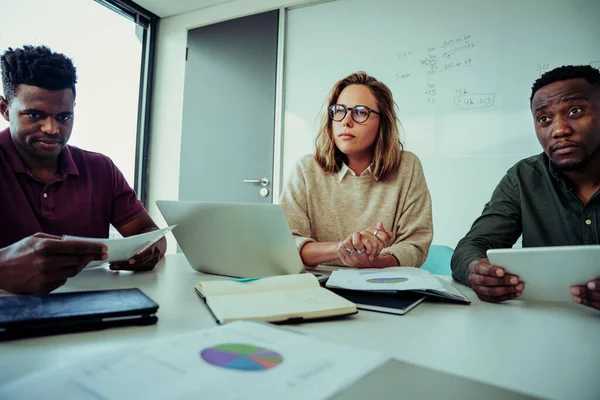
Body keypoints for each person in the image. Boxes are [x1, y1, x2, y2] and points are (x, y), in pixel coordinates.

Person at [0, 45, 166, 294]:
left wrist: (148, 251)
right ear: (5, 109)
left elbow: (149, 233)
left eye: (64, 117)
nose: (52, 129)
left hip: (90, 305)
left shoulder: (100, 168)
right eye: (35, 115)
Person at [451, 65, 600, 311]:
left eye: (575, 111)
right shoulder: (523, 178)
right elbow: (471, 247)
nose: (559, 130)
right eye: (544, 119)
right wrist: (477, 271)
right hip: (547, 323)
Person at [280, 71, 433, 269]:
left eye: (360, 112)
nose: (346, 121)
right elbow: (286, 243)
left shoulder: (408, 167)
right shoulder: (306, 169)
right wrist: (343, 249)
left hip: (380, 285)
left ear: (382, 123)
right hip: (315, 287)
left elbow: (415, 246)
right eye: (339, 111)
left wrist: (373, 261)